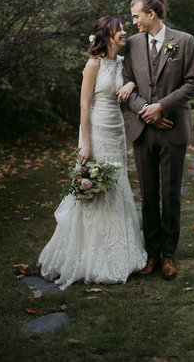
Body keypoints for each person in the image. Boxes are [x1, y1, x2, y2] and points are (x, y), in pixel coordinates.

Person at [37, 16, 148, 286]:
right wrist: (86, 144)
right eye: (119, 29)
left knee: (116, 185)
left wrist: (131, 84)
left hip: (116, 131)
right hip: (96, 131)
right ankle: (87, 255)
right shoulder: (93, 65)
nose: (124, 32)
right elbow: (84, 107)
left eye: (123, 28)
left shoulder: (123, 64)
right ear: (106, 36)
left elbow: (134, 84)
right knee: (94, 188)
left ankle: (121, 250)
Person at [122, 0, 194, 280]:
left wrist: (161, 107)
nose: (133, 22)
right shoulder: (131, 45)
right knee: (148, 195)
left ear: (151, 14)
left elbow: (193, 83)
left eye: (136, 16)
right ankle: (151, 255)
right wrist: (145, 108)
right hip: (143, 131)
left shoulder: (184, 41)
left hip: (172, 130)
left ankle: (169, 255)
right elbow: (126, 83)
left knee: (170, 194)